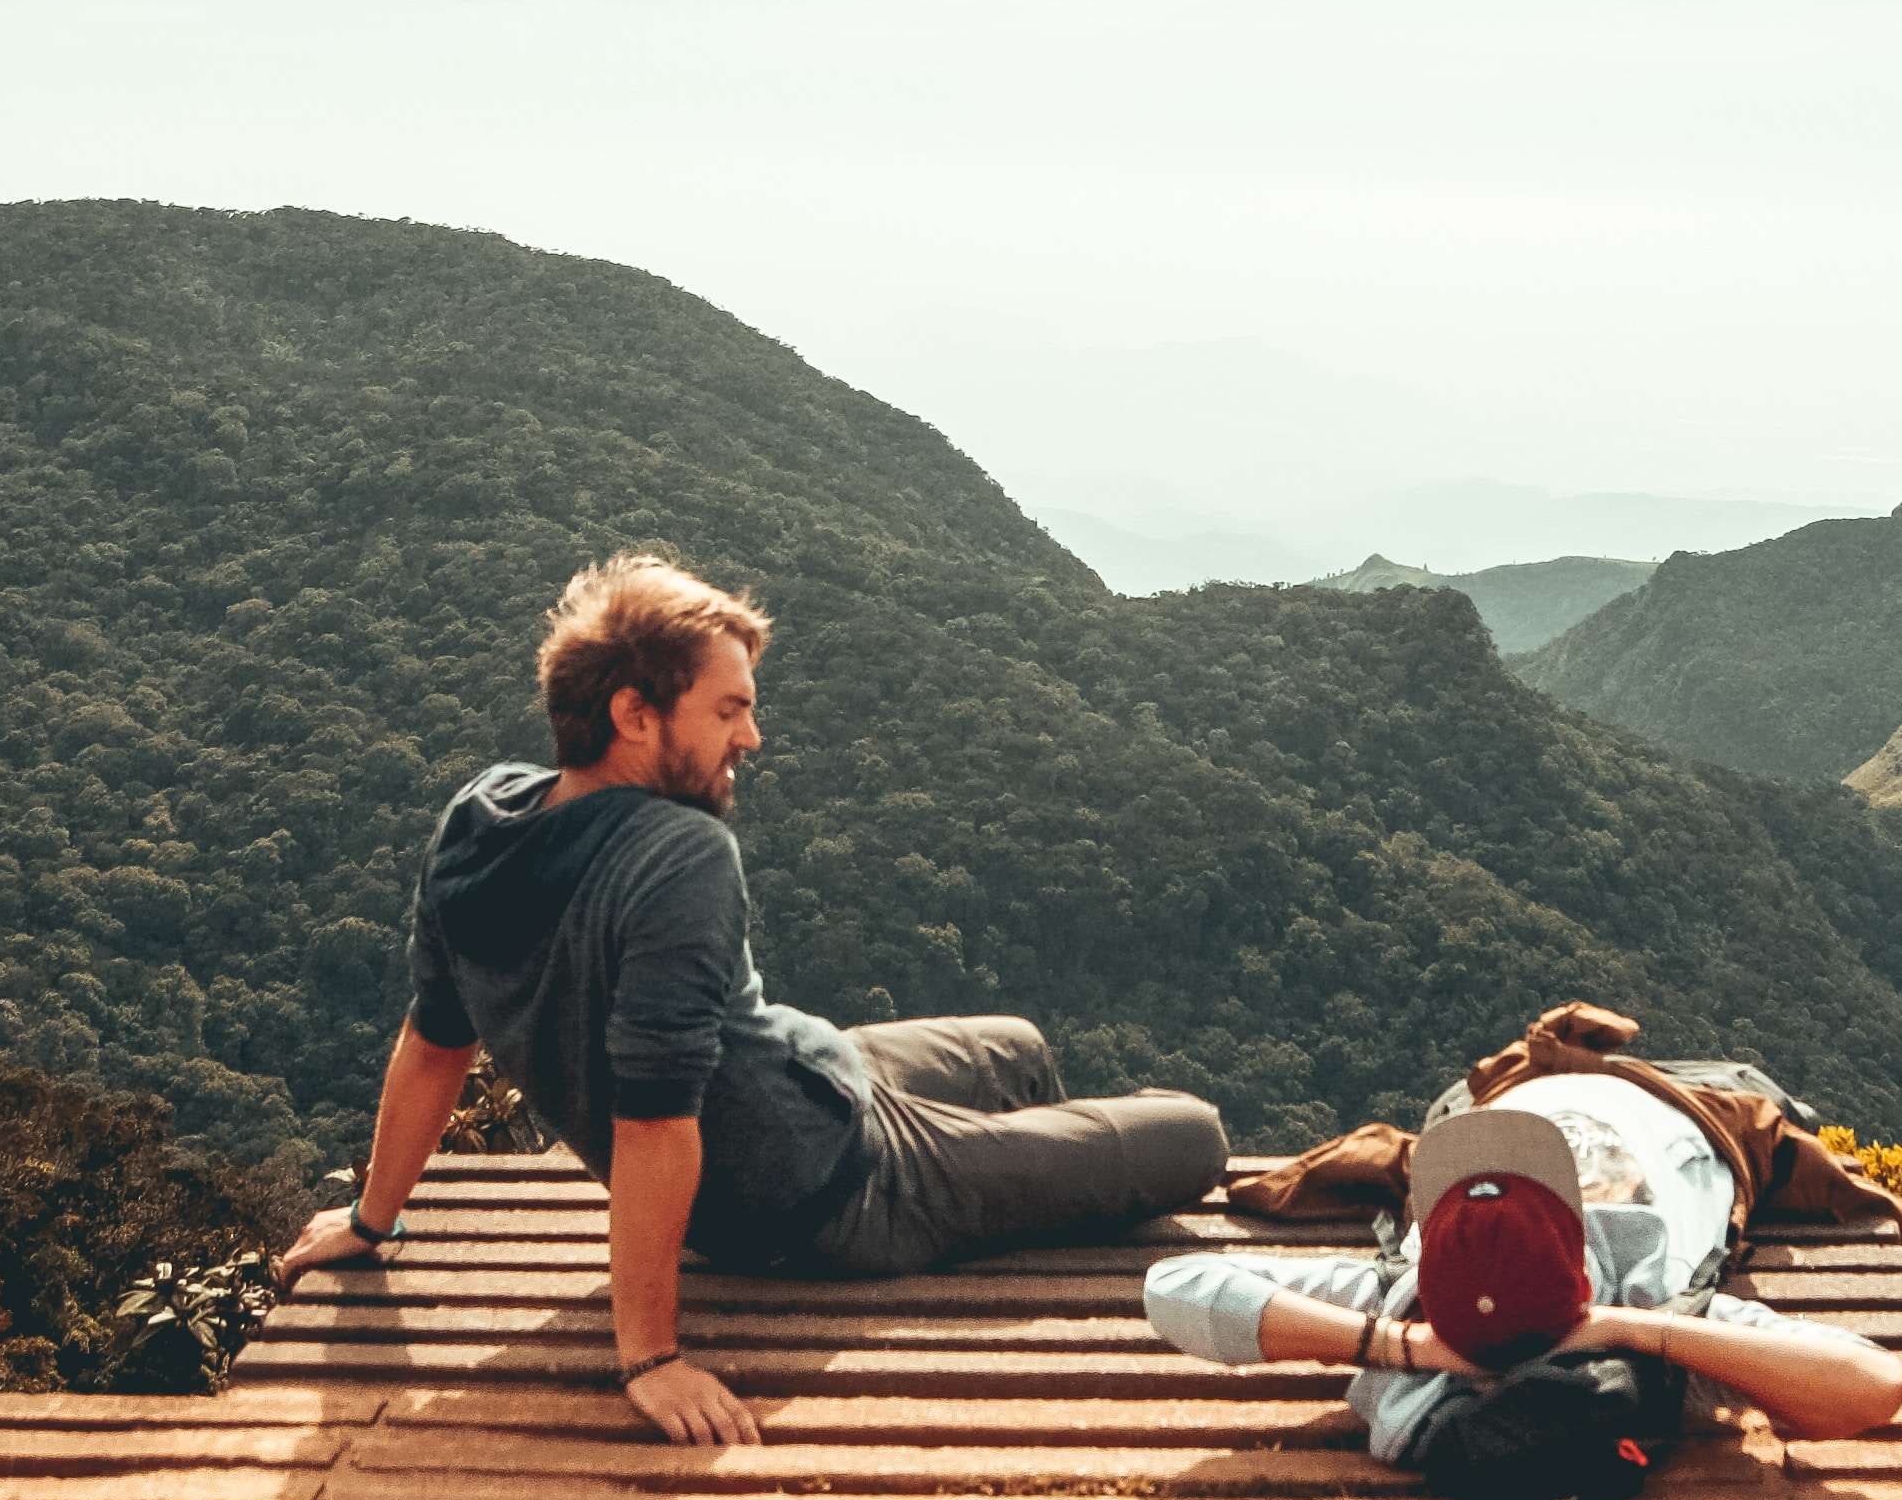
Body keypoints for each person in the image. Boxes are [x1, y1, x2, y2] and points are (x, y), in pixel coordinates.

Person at [274, 554, 1230, 1445]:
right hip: (831, 1187)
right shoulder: (679, 855)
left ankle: (1030, 1173)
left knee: (1017, 1044)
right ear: (635, 715)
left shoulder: (480, 818)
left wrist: (371, 1217)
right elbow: (652, 1120)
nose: (753, 737)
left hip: (813, 1072)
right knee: (1194, 1135)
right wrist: (649, 1356)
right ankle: (1014, 1186)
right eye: (729, 710)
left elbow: (434, 1039)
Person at [1143, 1060, 1902, 1470]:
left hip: (1494, 1093)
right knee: (1765, 1086)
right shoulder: (1649, 1295)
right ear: (1582, 1254)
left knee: (1462, 1092)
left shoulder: (1405, 1299)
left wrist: (1400, 1344)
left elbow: (1171, 1287)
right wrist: (1623, 1326)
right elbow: (1872, 1387)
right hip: (1690, 1097)